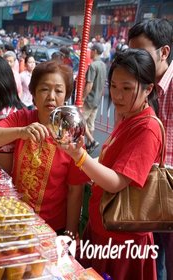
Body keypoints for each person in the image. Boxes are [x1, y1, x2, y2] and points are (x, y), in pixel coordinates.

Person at [60, 49, 161, 279]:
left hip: (122, 240)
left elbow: (117, 181)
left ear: (148, 89)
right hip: (105, 225)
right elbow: (109, 163)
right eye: (114, 86)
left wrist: (81, 158)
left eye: (127, 88)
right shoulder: (128, 117)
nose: (117, 95)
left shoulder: (147, 127)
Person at [0, 60, 87, 236]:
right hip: (15, 216)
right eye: (44, 89)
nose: (51, 96)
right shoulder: (23, 118)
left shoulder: (71, 136)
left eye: (58, 90)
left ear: (66, 97)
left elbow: (75, 191)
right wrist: (21, 132)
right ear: (34, 94)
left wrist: (71, 233)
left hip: (51, 228)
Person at [128, 18, 173, 280]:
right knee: (155, 260)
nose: (134, 61)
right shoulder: (145, 87)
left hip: (169, 190)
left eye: (140, 53)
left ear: (164, 52)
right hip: (147, 190)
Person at [82, 43, 107, 154]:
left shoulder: (93, 66)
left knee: (80, 120)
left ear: (95, 51)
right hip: (97, 100)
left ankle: (91, 141)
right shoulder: (103, 65)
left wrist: (82, 97)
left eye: (91, 50)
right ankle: (89, 145)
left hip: (89, 99)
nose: (90, 52)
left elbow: (89, 84)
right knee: (91, 123)